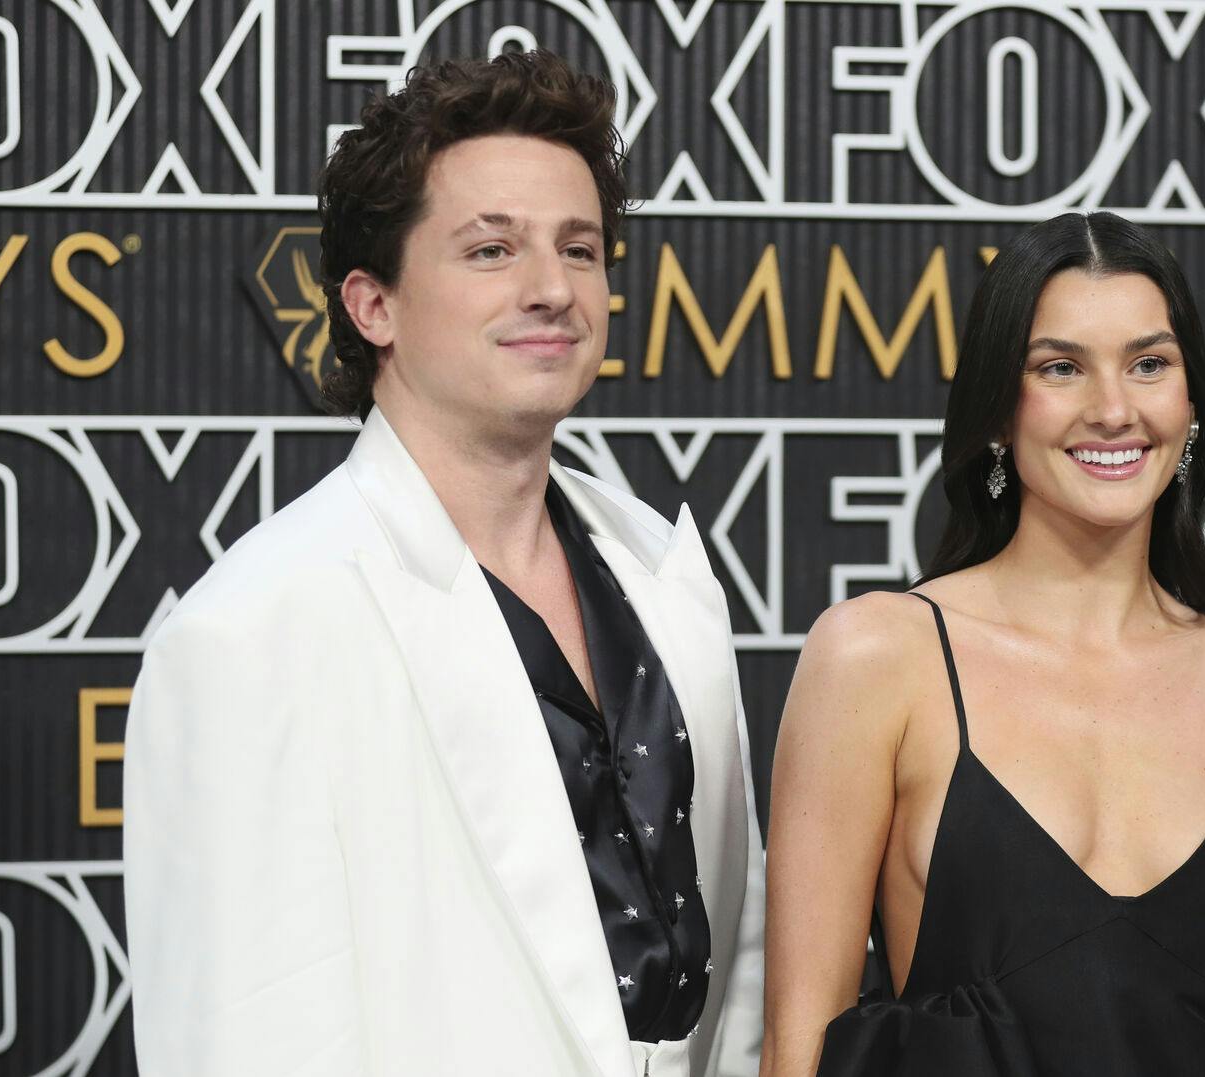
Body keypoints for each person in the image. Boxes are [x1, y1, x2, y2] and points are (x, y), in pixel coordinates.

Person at [124, 51, 763, 1077]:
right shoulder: (253, 631)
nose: (553, 288)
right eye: (491, 251)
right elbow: (241, 1038)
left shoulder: (663, 569)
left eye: (581, 249)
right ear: (372, 306)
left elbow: (738, 972)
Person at [759, 212, 1205, 1076]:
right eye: (1061, 368)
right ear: (1000, 411)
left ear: (1190, 402)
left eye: (1149, 364)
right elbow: (799, 1043)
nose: (1114, 410)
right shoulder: (879, 659)